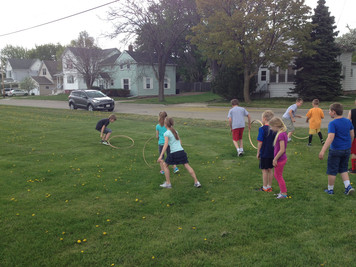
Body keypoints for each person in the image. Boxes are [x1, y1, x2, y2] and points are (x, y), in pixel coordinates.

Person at [319, 103, 355, 195]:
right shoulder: (348, 121)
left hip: (336, 150)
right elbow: (352, 134)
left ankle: (330, 190)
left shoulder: (332, 123)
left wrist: (323, 150)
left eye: (330, 111)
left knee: (332, 170)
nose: (329, 112)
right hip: (346, 149)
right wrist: (349, 144)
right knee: (343, 168)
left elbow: (330, 137)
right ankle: (348, 187)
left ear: (334, 112)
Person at [157, 117, 201, 189]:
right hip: (181, 151)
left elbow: (165, 144)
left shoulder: (166, 133)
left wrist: (161, 155)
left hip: (174, 153)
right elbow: (180, 141)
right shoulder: (175, 131)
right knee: (187, 165)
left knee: (164, 165)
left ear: (165, 124)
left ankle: (168, 184)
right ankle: (196, 182)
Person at [257, 110, 276, 192]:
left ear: (264, 118)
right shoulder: (275, 129)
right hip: (273, 152)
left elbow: (260, 142)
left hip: (264, 152)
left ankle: (265, 188)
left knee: (264, 170)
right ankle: (269, 186)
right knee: (270, 169)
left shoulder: (262, 129)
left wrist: (258, 152)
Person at [269, 117, 288, 199]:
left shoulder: (281, 135)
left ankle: (284, 193)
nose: (271, 128)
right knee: (277, 175)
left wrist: (275, 159)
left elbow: (282, 149)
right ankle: (282, 192)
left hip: (280, 159)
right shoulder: (282, 133)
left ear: (276, 125)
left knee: (278, 176)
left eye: (271, 126)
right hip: (280, 158)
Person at [347, 99, 356, 174]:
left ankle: (354, 169)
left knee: (353, 152)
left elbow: (347, 121)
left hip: (355, 133)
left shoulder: (352, 111)